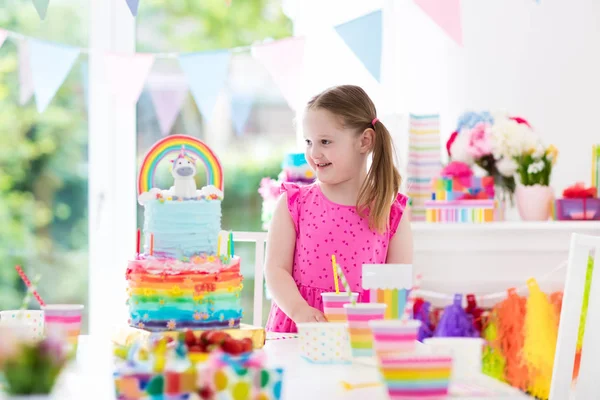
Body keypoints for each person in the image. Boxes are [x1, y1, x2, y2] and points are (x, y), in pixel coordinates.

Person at [264, 85, 413, 333]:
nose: (314, 153)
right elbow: (275, 269)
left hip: (361, 336)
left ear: (365, 141)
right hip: (299, 331)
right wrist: (299, 310)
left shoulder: (392, 212)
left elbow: (396, 286)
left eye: (325, 141)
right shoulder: (293, 204)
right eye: (309, 141)